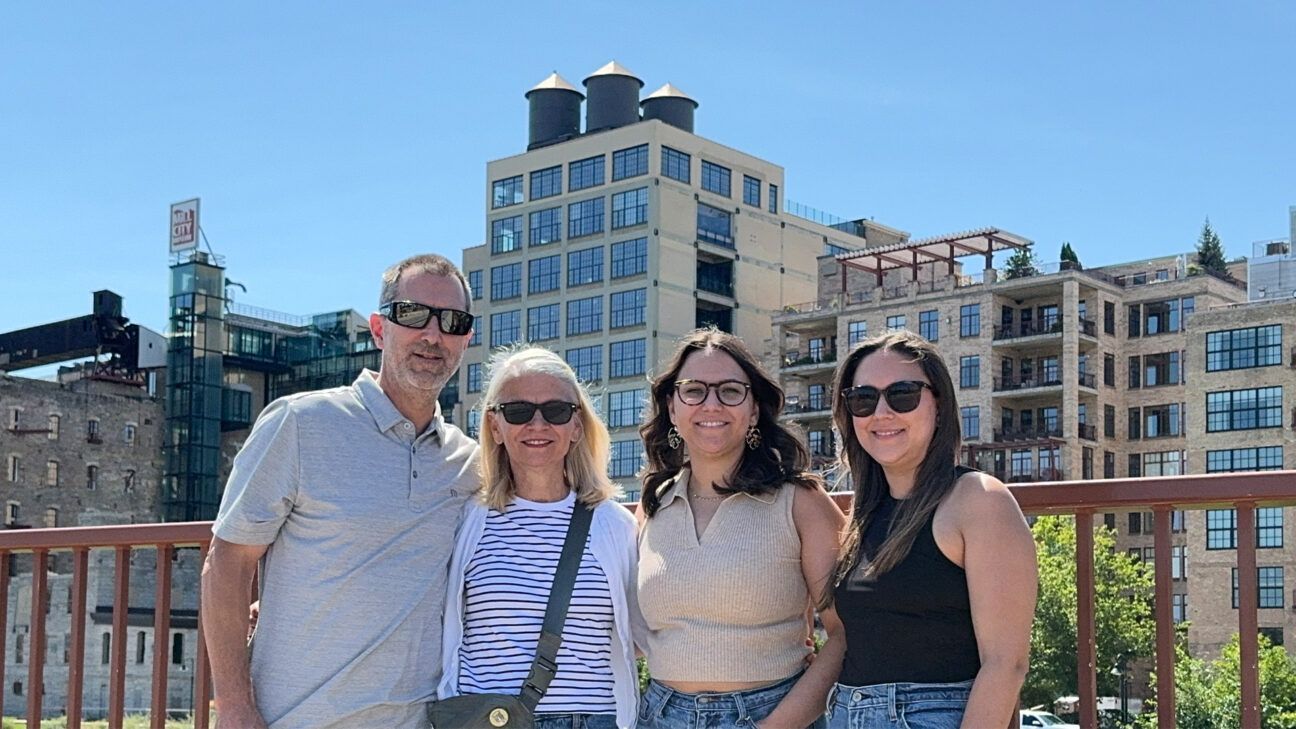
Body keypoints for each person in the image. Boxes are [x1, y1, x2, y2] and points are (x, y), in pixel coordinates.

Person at [202, 253, 480, 729]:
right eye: (413, 315)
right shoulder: (299, 423)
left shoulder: (469, 462)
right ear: (378, 329)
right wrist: (233, 706)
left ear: (466, 339)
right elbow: (226, 564)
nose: (433, 335)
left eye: (451, 322)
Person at [822, 330, 1037, 729]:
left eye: (902, 394)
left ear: (938, 404)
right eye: (863, 399)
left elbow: (1007, 664)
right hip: (847, 713)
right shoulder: (865, 512)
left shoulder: (978, 500)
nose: (881, 413)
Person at [636, 328, 846, 729]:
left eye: (730, 391)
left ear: (753, 409)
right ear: (672, 407)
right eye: (694, 390)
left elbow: (844, 634)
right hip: (660, 716)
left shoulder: (800, 502)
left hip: (773, 715)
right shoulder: (652, 506)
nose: (711, 404)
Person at [437, 346, 639, 729]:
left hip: (593, 720)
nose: (537, 424)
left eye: (556, 411)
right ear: (495, 426)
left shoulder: (614, 526)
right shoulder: (463, 520)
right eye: (517, 412)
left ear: (577, 426)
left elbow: (640, 635)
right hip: (488, 719)